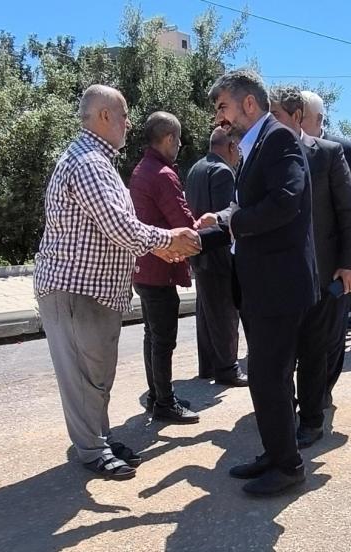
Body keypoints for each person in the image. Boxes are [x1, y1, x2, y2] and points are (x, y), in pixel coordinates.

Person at [34, 85, 201, 480]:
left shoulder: (95, 160)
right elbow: (119, 227)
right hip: (76, 290)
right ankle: (93, 450)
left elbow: (119, 228)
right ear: (105, 115)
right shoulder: (89, 162)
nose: (128, 123)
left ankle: (100, 439)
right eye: (124, 115)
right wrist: (167, 241)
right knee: (84, 379)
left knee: (97, 378)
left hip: (91, 291)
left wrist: (162, 247)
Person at [199, 69, 319, 496]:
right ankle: (275, 453)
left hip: (278, 287)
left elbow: (285, 201)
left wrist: (233, 222)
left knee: (270, 377)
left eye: (223, 106)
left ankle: (288, 466)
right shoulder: (256, 145)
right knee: (268, 378)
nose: (220, 117)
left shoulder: (278, 139)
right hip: (262, 286)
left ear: (248, 103)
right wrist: (212, 229)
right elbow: (246, 209)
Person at [268, 86, 351, 449]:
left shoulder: (328, 153)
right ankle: (282, 415)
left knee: (313, 351)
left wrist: (350, 264)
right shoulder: (260, 154)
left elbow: (349, 210)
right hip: (278, 273)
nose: (270, 121)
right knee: (280, 353)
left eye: (275, 114)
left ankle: (310, 421)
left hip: (320, 273)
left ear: (296, 116)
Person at [299, 90, 351, 401]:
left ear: (318, 119)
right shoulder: (284, 149)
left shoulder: (344, 149)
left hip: (336, 262)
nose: (295, 124)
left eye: (302, 118)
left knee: (332, 332)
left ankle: (323, 392)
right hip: (300, 263)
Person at [129, 111, 203, 424]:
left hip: (144, 266)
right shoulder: (163, 174)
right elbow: (183, 223)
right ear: (169, 138)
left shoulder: (141, 169)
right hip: (161, 269)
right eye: (179, 138)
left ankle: (157, 395)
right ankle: (164, 403)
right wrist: (204, 227)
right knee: (163, 340)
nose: (181, 144)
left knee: (152, 335)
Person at [184, 127, 248, 387]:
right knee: (224, 312)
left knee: (205, 312)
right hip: (219, 254)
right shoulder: (222, 171)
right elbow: (226, 217)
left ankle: (208, 365)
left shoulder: (196, 168)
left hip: (199, 252)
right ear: (231, 147)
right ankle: (227, 368)